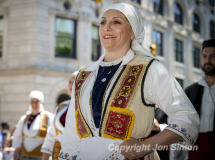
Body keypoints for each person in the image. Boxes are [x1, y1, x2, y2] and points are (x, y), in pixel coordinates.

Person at [58, 3, 200, 160]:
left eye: (116, 22)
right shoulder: (83, 76)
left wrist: (146, 146)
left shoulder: (150, 69)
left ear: (133, 32)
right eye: (103, 22)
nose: (107, 28)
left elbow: (188, 118)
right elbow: (71, 137)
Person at [185, 39, 215, 160]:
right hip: (195, 153)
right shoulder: (189, 91)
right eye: (204, 56)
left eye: (213, 56)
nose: (207, 61)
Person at [41, 71, 78, 160]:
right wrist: (45, 156)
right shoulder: (61, 107)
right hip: (58, 153)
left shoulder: (88, 108)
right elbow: (51, 134)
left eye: (74, 82)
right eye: (69, 82)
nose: (71, 85)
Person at [12, 90, 54, 160]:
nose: (34, 104)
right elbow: (18, 138)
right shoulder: (24, 118)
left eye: (36, 101)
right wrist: (15, 156)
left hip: (40, 155)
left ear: (41, 102)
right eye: (32, 101)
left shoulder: (48, 117)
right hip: (24, 155)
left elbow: (51, 137)